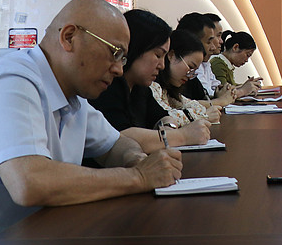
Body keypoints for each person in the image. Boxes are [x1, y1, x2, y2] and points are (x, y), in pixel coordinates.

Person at [0, 0, 182, 245]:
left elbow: (116, 145)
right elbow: (29, 183)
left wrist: (136, 159)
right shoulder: (12, 82)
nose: (118, 69)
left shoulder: (73, 98)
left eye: (123, 58)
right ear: (69, 37)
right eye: (115, 53)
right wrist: (138, 176)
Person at [90, 9, 210, 150]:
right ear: (135, 47)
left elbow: (161, 117)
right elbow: (119, 137)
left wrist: (168, 128)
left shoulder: (140, 87)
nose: (162, 65)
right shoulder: (108, 85)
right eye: (158, 55)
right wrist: (182, 136)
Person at [151, 29, 220, 127]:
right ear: (171, 55)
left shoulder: (167, 90)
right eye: (190, 67)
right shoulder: (152, 85)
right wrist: (203, 116)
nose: (190, 75)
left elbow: (195, 106)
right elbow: (165, 116)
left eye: (194, 71)